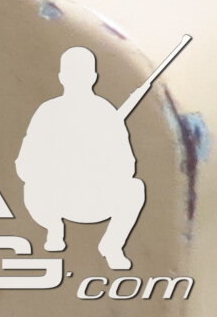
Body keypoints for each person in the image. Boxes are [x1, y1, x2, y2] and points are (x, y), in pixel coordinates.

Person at [16, 45, 147, 272]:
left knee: (135, 189)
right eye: (72, 73)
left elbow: (127, 165)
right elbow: (25, 162)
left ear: (93, 77)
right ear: (62, 77)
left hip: (93, 197)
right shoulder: (48, 112)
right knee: (33, 187)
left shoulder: (106, 113)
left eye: (83, 73)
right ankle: (54, 229)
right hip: (53, 197)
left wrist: (98, 164)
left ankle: (112, 245)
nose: (77, 79)